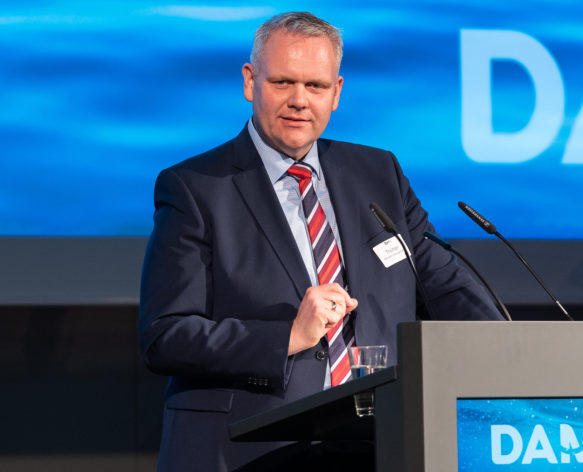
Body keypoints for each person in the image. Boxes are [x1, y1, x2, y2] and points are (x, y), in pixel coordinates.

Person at [139, 11, 503, 471]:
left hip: (377, 444)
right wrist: (286, 337)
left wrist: (504, 348)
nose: (299, 101)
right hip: (248, 450)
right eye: (283, 83)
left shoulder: (378, 174)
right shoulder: (195, 187)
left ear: (337, 93)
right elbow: (165, 336)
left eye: (315, 86)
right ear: (251, 82)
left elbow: (445, 286)